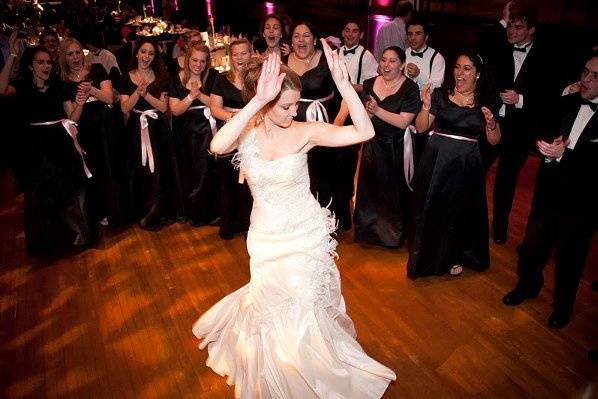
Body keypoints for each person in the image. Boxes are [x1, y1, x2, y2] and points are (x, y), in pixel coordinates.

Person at [193, 42, 396, 398]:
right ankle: (281, 369)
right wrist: (257, 101)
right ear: (266, 100)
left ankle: (309, 371)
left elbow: (364, 133)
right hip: (266, 237)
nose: (293, 112)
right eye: (284, 105)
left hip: (304, 235)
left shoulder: (305, 131)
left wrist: (346, 86)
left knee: (304, 305)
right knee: (271, 306)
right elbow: (217, 146)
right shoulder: (247, 130)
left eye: (295, 105)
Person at [502, 52, 598, 329]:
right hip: (548, 191)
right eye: (584, 72)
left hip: (582, 202)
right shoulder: (566, 102)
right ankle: (527, 286)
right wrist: (545, 147)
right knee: (532, 247)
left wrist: (563, 154)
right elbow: (537, 129)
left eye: (594, 76)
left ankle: (562, 307)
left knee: (570, 258)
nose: (585, 79)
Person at [408, 52, 501, 278]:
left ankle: (453, 255)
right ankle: (427, 255)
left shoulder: (486, 102)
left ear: (477, 74)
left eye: (467, 68)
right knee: (433, 206)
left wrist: (491, 124)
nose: (460, 73)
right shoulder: (440, 95)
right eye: (457, 67)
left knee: (459, 211)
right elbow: (421, 128)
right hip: (437, 159)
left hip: (467, 163)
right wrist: (425, 106)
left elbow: (495, 140)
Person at [0, 37, 96, 254]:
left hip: (59, 141)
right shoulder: (22, 86)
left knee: (69, 188)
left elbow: (72, 116)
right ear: (31, 66)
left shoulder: (58, 86)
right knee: (39, 193)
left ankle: (76, 237)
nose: (45, 66)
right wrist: (13, 55)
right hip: (34, 145)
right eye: (40, 62)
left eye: (48, 62)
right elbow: (0, 88)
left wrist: (80, 103)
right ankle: (44, 243)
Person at [485, 3, 554, 244]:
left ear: (532, 29)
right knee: (475, 168)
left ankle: (500, 228)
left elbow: (549, 95)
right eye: (510, 26)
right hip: (493, 122)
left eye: (518, 27)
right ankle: (468, 215)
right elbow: (482, 46)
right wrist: (503, 20)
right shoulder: (500, 47)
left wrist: (521, 99)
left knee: (506, 179)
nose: (511, 31)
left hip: (520, 130)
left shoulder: (545, 56)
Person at [353, 46, 420, 247]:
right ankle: (368, 233)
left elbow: (403, 122)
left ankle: (392, 236)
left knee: (393, 193)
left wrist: (377, 110)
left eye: (392, 61)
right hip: (373, 146)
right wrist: (368, 114)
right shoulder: (369, 84)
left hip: (396, 148)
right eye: (383, 60)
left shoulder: (410, 88)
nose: (386, 65)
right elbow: (363, 116)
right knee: (370, 191)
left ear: (401, 65)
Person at [287, 21, 351, 228]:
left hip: (327, 124)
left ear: (314, 39)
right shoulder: (280, 62)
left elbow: (346, 95)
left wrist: (336, 125)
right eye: (296, 36)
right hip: (293, 127)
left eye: (306, 35)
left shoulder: (329, 60)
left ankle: (327, 223)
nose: (301, 40)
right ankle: (302, 224)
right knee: (298, 174)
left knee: (326, 174)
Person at [60, 37, 125, 226]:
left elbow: (109, 98)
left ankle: (117, 211)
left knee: (112, 167)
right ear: (64, 58)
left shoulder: (96, 69)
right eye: (70, 54)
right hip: (85, 131)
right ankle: (100, 212)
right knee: (93, 170)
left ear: (83, 53)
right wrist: (80, 103)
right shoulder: (64, 83)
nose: (75, 57)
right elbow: (71, 118)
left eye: (78, 52)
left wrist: (92, 91)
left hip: (106, 126)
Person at [120, 39, 178, 230]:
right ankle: (143, 211)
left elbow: (163, 107)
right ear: (136, 53)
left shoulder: (162, 76)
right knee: (141, 169)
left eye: (151, 53)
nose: (146, 56)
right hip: (137, 129)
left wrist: (145, 95)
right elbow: (124, 107)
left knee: (159, 169)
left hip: (157, 128)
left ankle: (158, 213)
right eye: (143, 52)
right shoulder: (126, 77)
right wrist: (137, 92)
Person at [169, 43, 218, 226]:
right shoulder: (176, 80)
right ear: (188, 59)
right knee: (190, 172)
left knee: (207, 172)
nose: (198, 65)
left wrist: (199, 95)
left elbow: (215, 104)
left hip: (207, 130)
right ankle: (193, 213)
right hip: (185, 133)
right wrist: (190, 96)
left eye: (203, 61)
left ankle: (209, 213)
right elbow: (175, 110)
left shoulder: (213, 77)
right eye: (195, 60)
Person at [209, 38, 253, 239]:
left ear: (250, 54)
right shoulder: (221, 79)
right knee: (228, 180)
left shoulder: (256, 78)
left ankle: (249, 226)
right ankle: (229, 223)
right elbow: (215, 108)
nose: (239, 58)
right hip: (229, 134)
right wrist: (234, 118)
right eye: (235, 54)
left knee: (250, 182)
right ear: (230, 56)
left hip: (252, 134)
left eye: (244, 53)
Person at [404, 18, 446, 90]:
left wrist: (418, 75)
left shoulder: (437, 58)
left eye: (418, 34)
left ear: (426, 37)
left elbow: (436, 89)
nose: (413, 38)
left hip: (425, 100)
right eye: (410, 34)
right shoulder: (403, 54)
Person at [337, 20, 378, 94]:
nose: (350, 34)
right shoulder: (335, 53)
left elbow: (374, 84)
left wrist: (352, 87)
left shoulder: (366, 56)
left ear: (361, 35)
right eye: (347, 31)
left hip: (356, 100)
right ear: (343, 33)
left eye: (354, 32)